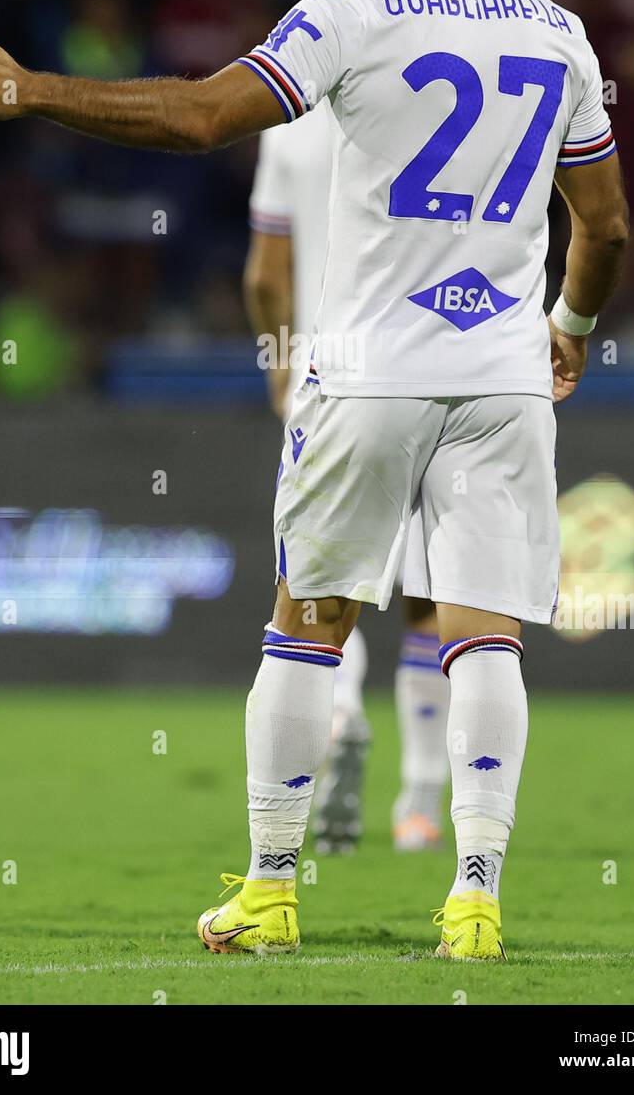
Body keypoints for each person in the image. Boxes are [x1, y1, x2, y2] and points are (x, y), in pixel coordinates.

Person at [0, 0, 628, 961]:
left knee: (306, 627)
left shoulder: (351, 14)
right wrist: (568, 322)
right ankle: (472, 897)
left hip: (369, 368)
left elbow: (204, 115)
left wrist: (34, 93)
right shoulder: (558, 31)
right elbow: (605, 224)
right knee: (484, 638)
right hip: (503, 374)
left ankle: (270, 890)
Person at [245, 106, 450, 854]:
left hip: (329, 377)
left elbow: (267, 271)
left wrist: (279, 367)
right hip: (436, 365)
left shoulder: (288, 122)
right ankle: (421, 806)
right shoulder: (417, 92)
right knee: (431, 594)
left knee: (321, 580)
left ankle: (337, 713)